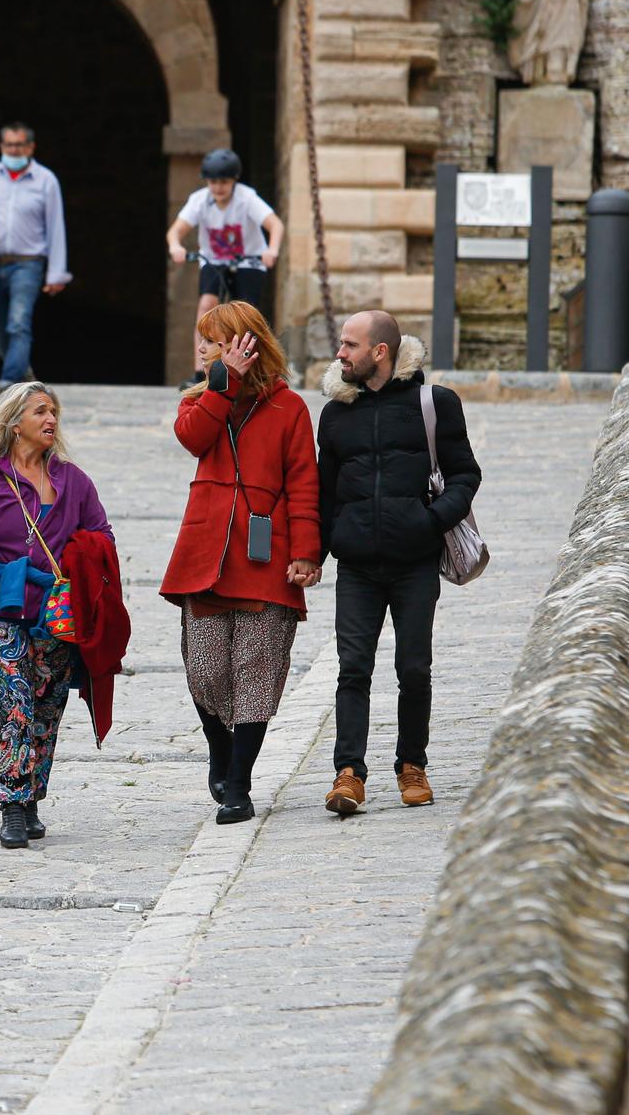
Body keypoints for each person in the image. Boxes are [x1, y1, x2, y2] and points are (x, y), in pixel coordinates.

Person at [159, 302, 323, 824]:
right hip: (206, 555)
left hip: (265, 557)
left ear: (244, 344)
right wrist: (221, 384)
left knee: (255, 673)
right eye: (202, 342)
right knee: (205, 673)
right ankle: (220, 751)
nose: (203, 350)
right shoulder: (199, 401)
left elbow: (303, 483)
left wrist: (305, 552)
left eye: (213, 342)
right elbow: (193, 440)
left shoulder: (290, 407)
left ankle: (239, 783)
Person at [315, 310, 481, 816]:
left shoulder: (435, 404)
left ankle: (412, 764)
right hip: (357, 566)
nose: (340, 353)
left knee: (414, 668)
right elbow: (323, 494)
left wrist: (430, 523)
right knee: (353, 669)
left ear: (379, 351)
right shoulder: (336, 413)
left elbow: (465, 475)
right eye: (341, 344)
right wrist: (314, 553)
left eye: (349, 345)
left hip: (414, 564)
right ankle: (349, 774)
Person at [0, 382, 116, 849]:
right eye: (41, 411)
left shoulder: (74, 480)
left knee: (46, 703)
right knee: (14, 693)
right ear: (15, 422)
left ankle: (32, 796)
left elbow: (102, 536)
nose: (51, 419)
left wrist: (81, 555)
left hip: (55, 612)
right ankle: (12, 805)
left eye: (54, 411)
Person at [166, 149, 285, 387]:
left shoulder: (246, 198)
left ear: (233, 181)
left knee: (246, 315)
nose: (218, 188)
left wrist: (271, 250)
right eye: (213, 182)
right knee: (206, 307)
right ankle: (201, 372)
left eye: (224, 182)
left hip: (248, 260)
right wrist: (175, 246)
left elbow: (275, 224)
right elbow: (175, 230)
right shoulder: (200, 200)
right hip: (214, 261)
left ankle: (253, 367)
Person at [0, 123, 70, 388]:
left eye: (19, 145)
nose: (14, 150)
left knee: (18, 322)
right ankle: (23, 370)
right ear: (1, 147)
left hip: (28, 263)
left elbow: (55, 227)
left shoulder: (46, 181)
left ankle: (9, 380)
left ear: (30, 147)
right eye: (9, 145)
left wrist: (57, 273)